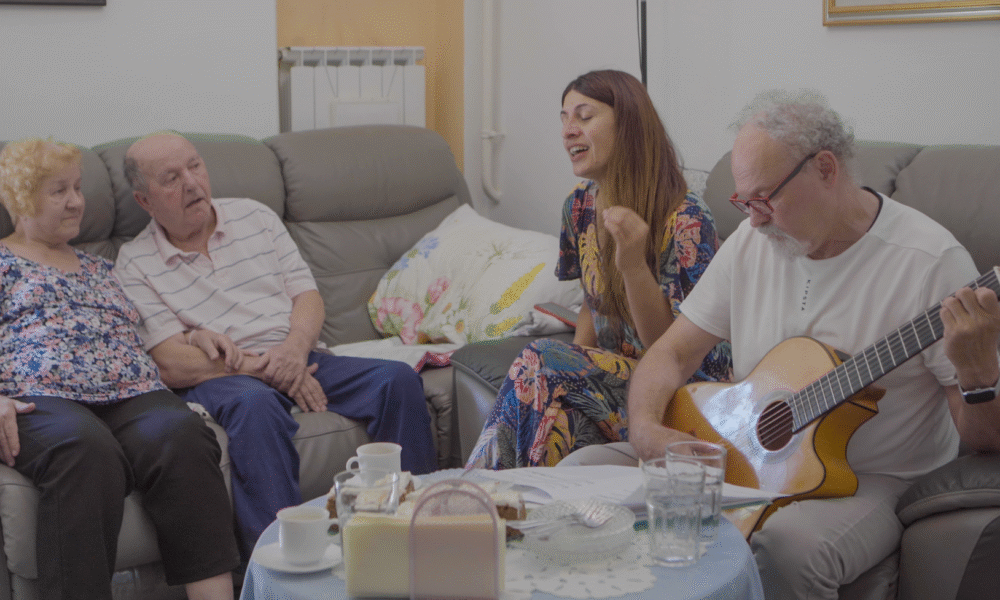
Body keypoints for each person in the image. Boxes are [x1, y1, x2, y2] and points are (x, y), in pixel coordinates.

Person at [624, 89, 1000, 599]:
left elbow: (985, 440)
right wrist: (646, 429)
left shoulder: (930, 263)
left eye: (765, 198)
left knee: (786, 545)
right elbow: (670, 352)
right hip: (743, 456)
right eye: (743, 202)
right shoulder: (751, 242)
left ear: (825, 169)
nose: (753, 219)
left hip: (872, 479)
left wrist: (979, 376)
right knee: (589, 473)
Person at [113, 132, 437, 558]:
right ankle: (279, 564)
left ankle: (414, 535)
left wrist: (294, 352)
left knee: (396, 380)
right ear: (144, 200)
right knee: (256, 405)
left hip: (297, 353)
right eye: (171, 178)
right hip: (224, 375)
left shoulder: (255, 216)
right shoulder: (135, 262)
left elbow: (308, 298)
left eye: (195, 166)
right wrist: (266, 369)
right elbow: (171, 362)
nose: (192, 183)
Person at [0, 139, 238, 600]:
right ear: (21, 200)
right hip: (40, 395)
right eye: (59, 191)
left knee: (182, 434)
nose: (76, 201)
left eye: (77, 188)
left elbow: (147, 328)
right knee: (85, 450)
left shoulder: (100, 266)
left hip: (132, 389)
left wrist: (192, 337)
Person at [465, 70, 732, 470]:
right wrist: (573, 370)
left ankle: (473, 493)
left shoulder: (687, 219)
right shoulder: (578, 206)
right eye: (564, 118)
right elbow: (592, 303)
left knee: (542, 356)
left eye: (584, 116)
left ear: (628, 124)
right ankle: (510, 505)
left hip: (683, 398)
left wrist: (633, 267)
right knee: (555, 425)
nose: (568, 131)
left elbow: (673, 351)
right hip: (616, 386)